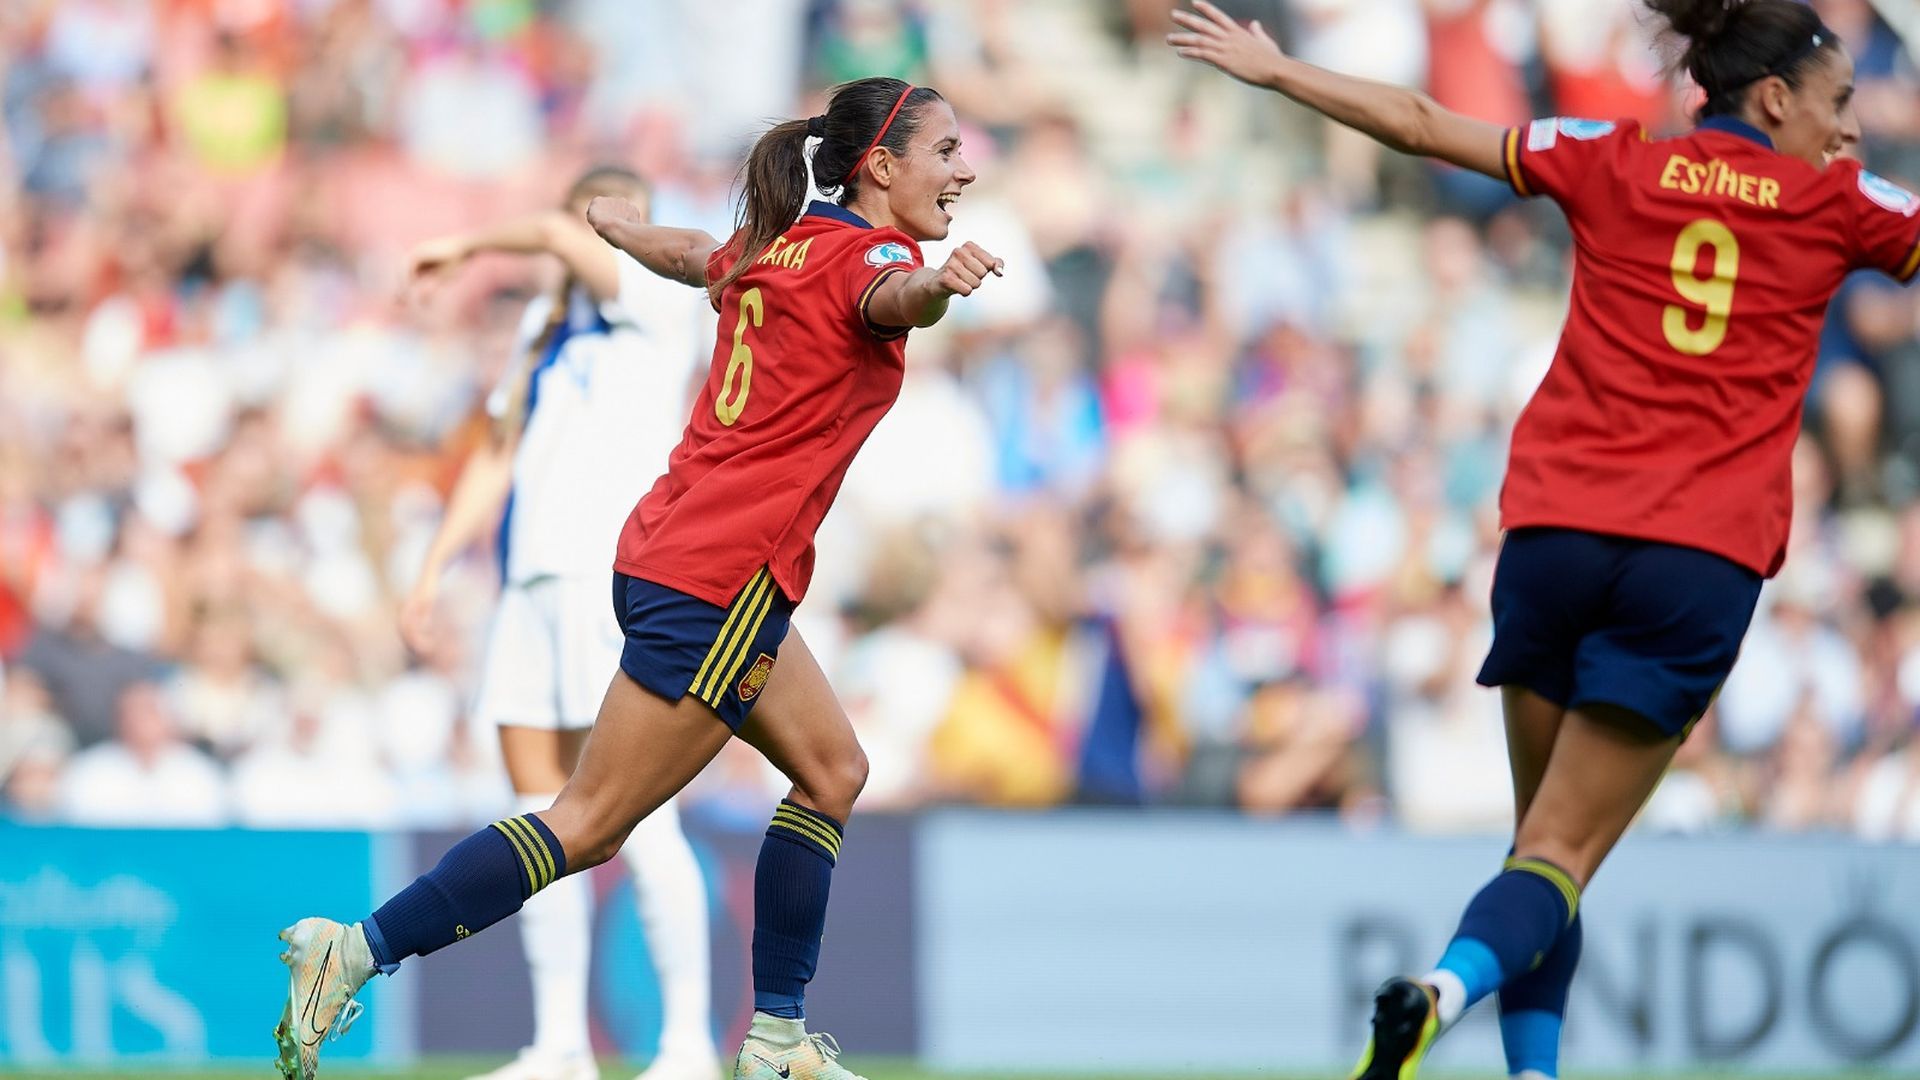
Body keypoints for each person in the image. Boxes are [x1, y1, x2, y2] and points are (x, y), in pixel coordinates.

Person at [1169, 1, 1920, 1078]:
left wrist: (1281, 71)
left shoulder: (1611, 156)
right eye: (1838, 102)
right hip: (1693, 561)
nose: (1850, 127)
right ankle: (1440, 993)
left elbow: (1422, 122)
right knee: (1560, 857)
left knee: (1539, 851)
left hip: (1554, 538)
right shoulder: (1839, 202)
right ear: (1772, 98)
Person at [270, 75, 1001, 1080]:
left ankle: (777, 1042)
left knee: (834, 771)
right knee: (588, 823)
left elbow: (691, 254)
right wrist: (939, 287)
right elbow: (891, 298)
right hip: (721, 577)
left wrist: (619, 229)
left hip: (678, 554)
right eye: (946, 151)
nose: (963, 171)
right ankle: (353, 951)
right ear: (881, 164)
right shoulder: (877, 259)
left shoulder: (779, 243)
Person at [398, 165, 720, 1080]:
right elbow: (498, 456)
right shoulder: (544, 326)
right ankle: (558, 1046)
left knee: (641, 816)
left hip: (606, 579)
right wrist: (433, 566)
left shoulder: (657, 308)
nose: (605, 237)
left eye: (619, 222)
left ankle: (687, 1044)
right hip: (528, 585)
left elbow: (550, 235)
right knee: (535, 811)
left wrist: (463, 245)